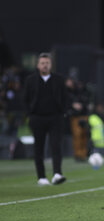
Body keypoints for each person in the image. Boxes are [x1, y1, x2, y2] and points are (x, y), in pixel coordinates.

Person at [23, 53, 67, 185]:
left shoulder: (59, 79)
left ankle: (57, 174)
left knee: (56, 146)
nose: (45, 65)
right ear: (38, 65)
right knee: (39, 148)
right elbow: (25, 99)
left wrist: (62, 112)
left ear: (51, 65)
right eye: (42, 63)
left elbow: (65, 97)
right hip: (37, 118)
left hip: (55, 118)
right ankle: (41, 177)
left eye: (47, 63)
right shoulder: (30, 80)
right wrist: (30, 113)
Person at [66, 77, 91, 161]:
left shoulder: (82, 90)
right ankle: (78, 154)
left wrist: (82, 105)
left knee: (84, 135)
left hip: (84, 115)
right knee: (77, 135)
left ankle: (83, 154)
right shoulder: (68, 92)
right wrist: (73, 105)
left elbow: (87, 101)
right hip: (75, 116)